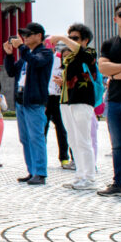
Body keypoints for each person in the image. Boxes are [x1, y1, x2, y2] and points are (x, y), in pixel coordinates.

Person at [47, 25, 99, 190]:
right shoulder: (68, 59)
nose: (70, 40)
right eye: (69, 37)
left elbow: (83, 58)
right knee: (73, 140)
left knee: (84, 140)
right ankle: (80, 175)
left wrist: (62, 38)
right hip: (66, 102)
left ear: (85, 40)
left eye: (74, 38)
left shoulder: (89, 53)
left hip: (82, 101)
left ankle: (89, 178)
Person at [4, 22, 54, 185]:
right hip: (21, 101)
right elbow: (12, 71)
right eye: (23, 35)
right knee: (25, 139)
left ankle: (40, 172)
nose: (24, 38)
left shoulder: (45, 53)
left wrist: (22, 49)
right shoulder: (26, 56)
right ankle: (31, 170)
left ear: (39, 36)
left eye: (28, 35)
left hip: (34, 101)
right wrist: (9, 55)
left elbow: (36, 62)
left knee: (36, 137)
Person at [96, 1, 121, 197]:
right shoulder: (109, 44)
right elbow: (102, 68)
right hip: (114, 101)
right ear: (115, 19)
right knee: (118, 146)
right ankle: (119, 185)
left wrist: (115, 74)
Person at [45, 45, 72, 168]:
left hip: (58, 97)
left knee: (61, 128)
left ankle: (64, 158)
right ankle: (41, 158)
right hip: (45, 98)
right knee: (42, 129)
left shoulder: (60, 58)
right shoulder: (40, 58)